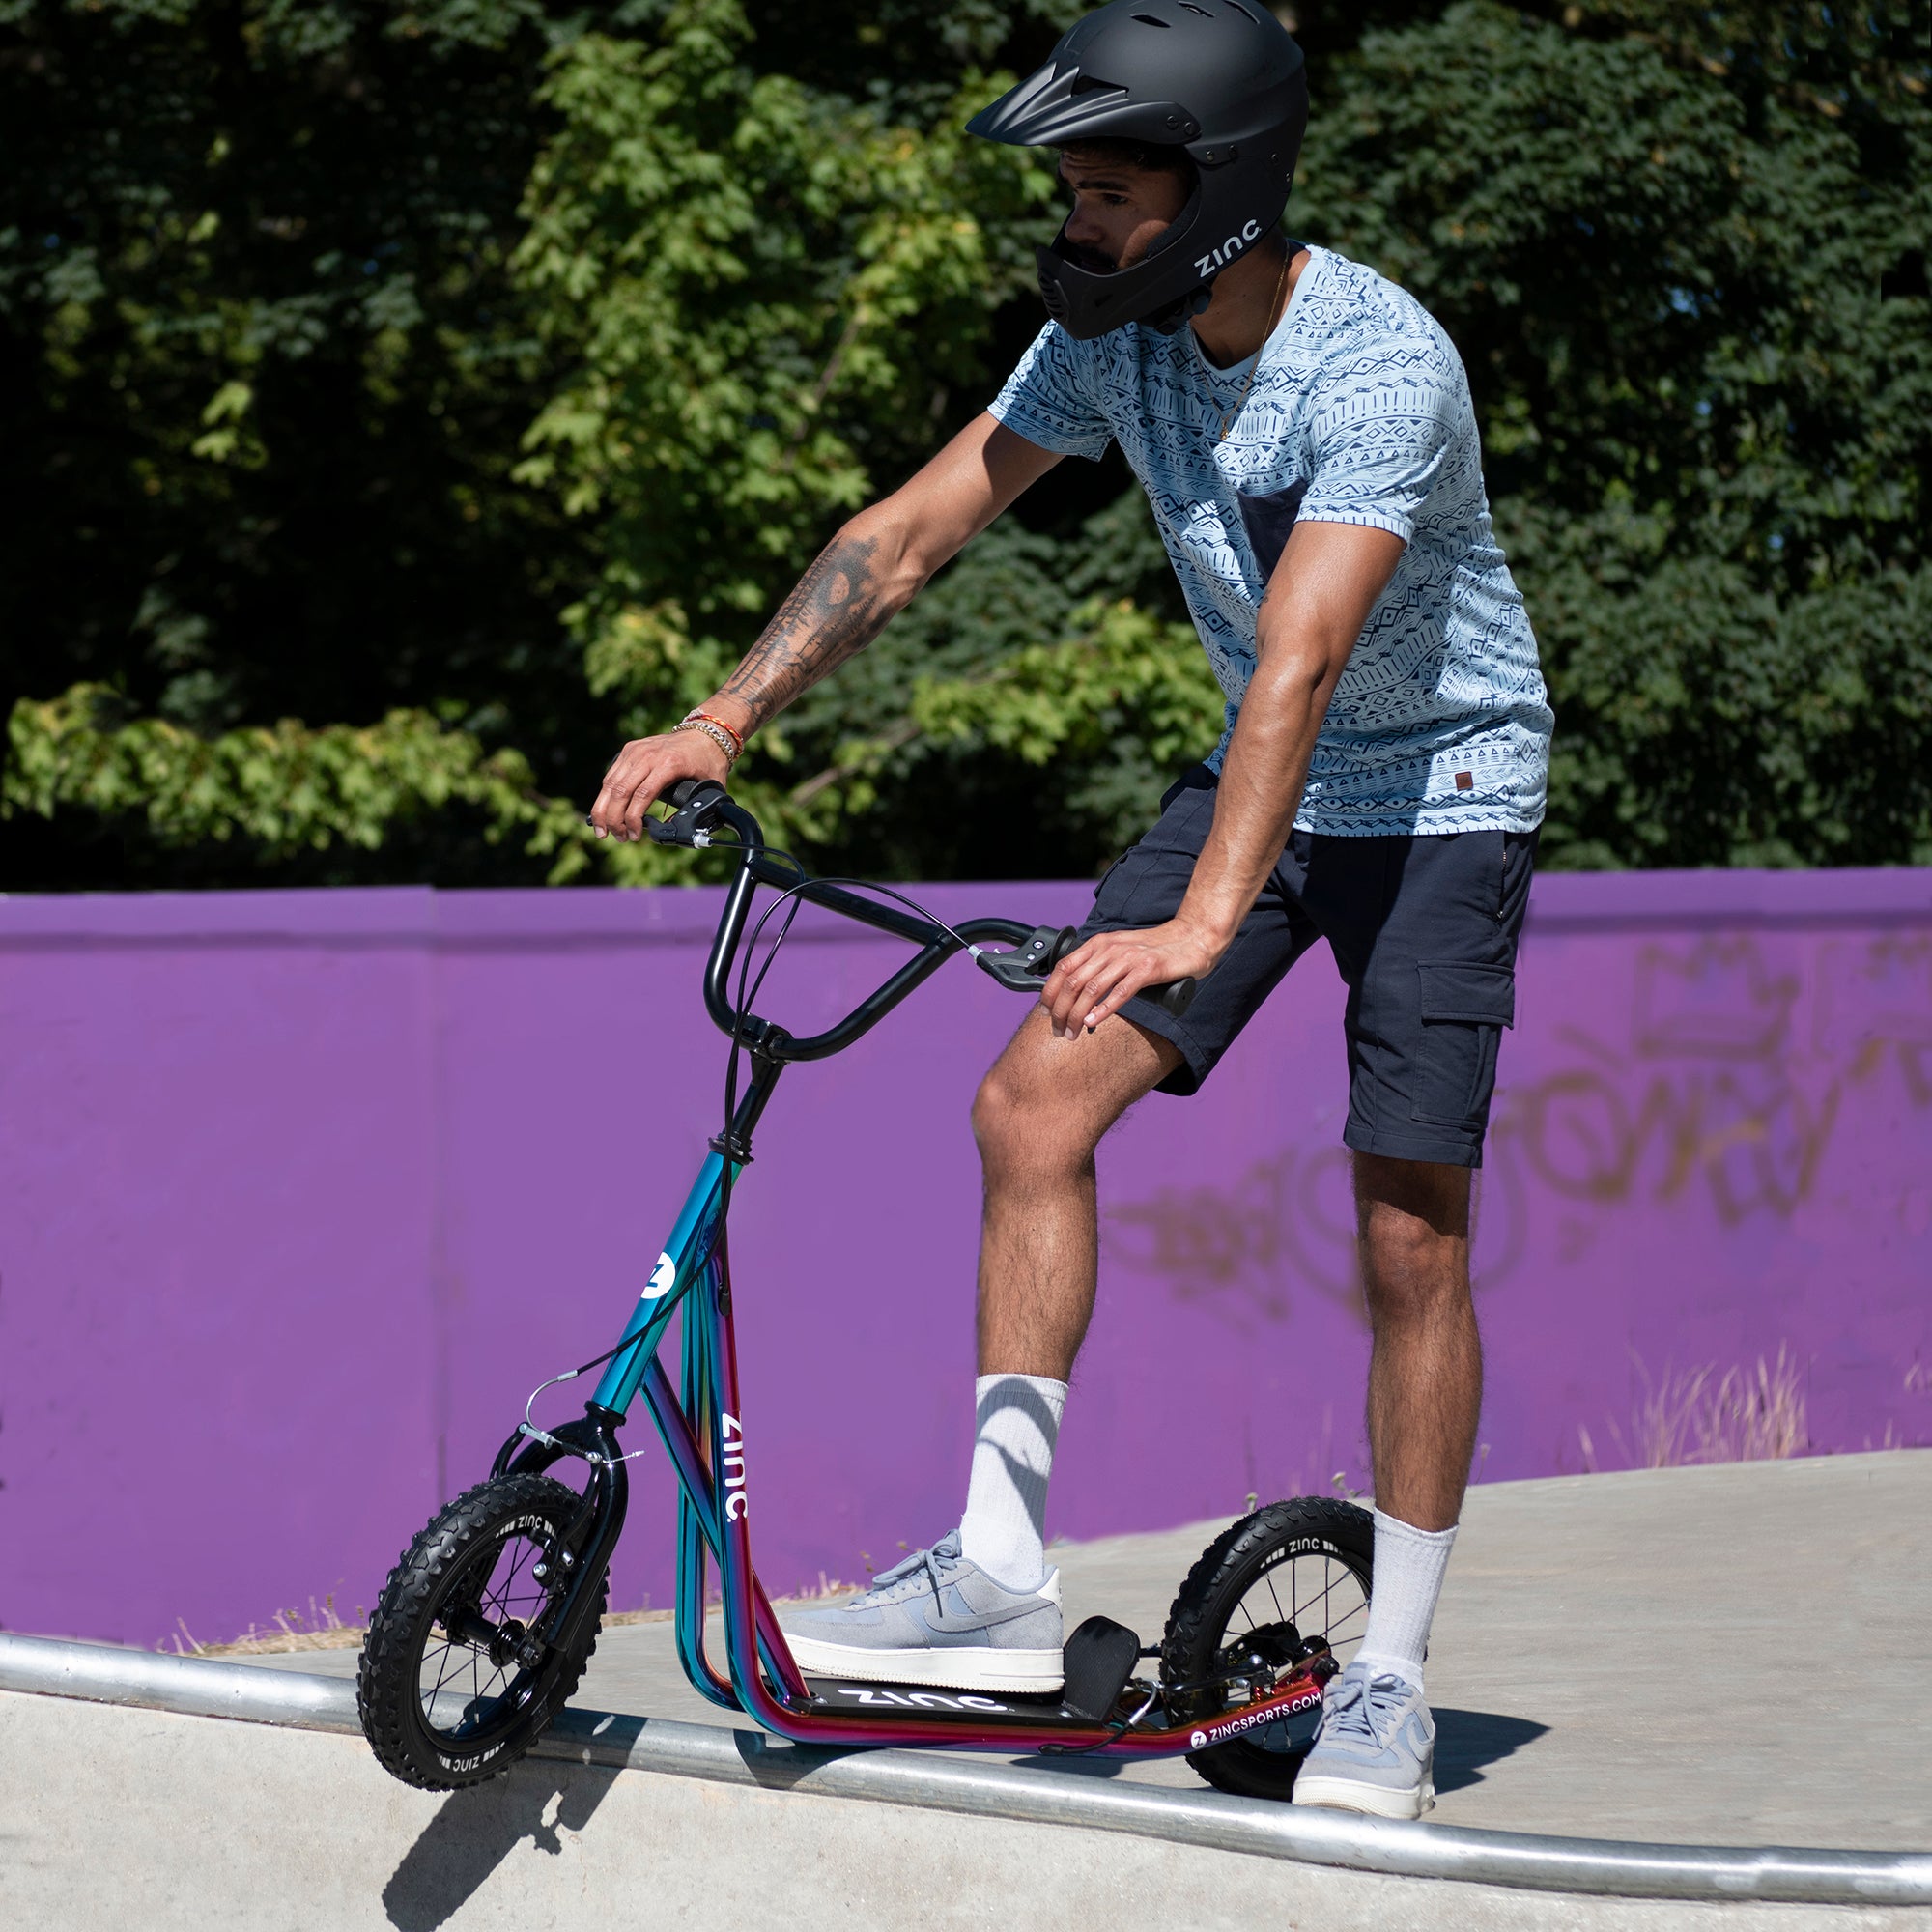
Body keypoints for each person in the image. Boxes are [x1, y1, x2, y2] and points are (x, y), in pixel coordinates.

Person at [587, 0, 1550, 1821]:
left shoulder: (1379, 364)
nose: (1076, 226)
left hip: (1441, 795)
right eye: (1074, 194)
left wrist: (1199, 922)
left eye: (1108, 195)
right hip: (1264, 776)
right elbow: (915, 527)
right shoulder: (1111, 343)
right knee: (1031, 1105)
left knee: (1409, 1231)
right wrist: (721, 714)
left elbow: (1303, 657)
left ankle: (1391, 1681)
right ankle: (999, 1572)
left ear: (1222, 192)